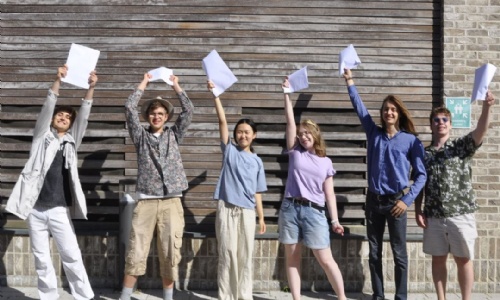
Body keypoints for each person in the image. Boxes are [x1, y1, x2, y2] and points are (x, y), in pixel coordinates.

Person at [6, 65, 97, 300]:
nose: (63, 118)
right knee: (41, 257)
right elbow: (48, 105)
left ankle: (84, 296)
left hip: (58, 209)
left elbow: (84, 115)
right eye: (61, 114)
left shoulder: (71, 141)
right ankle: (48, 296)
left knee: (71, 254)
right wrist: (57, 81)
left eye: (67, 117)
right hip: (35, 208)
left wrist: (91, 88)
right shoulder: (41, 136)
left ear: (70, 124)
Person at [342, 68, 427, 300]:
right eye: (386, 109)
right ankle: (378, 296)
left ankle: (401, 297)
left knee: (399, 254)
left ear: (398, 113)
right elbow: (359, 109)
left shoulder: (411, 141)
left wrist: (406, 200)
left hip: (396, 203)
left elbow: (422, 175)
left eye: (393, 109)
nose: (389, 112)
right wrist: (350, 81)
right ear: (381, 113)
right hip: (373, 202)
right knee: (375, 253)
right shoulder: (374, 133)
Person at [415, 91, 495, 300]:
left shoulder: (461, 147)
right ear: (431, 124)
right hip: (433, 215)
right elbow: (419, 184)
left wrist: (487, 107)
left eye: (445, 120)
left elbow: (481, 130)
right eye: (436, 120)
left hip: (461, 214)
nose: (440, 123)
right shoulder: (424, 154)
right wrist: (418, 210)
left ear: (450, 124)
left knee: (463, 259)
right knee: (438, 259)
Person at [120, 72, 194, 300]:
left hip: (172, 201)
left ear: (166, 116)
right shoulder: (140, 137)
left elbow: (189, 110)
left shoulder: (174, 135)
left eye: (161, 113)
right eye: (153, 113)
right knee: (136, 250)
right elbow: (129, 108)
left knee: (170, 251)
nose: (156, 116)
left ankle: (168, 297)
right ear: (148, 117)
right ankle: (124, 296)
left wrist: (176, 86)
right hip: (146, 201)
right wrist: (143, 82)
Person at [279, 78, 346, 300]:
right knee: (293, 258)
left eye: (307, 133)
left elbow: (329, 194)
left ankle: (343, 297)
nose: (303, 136)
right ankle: (296, 298)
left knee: (325, 259)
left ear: (316, 135)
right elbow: (290, 122)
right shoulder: (294, 151)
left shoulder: (326, 161)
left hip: (315, 212)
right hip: (290, 208)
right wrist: (287, 94)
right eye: (301, 133)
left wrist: (335, 221)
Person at [207, 80, 267, 300]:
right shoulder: (229, 152)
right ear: (235, 135)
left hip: (247, 212)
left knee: (245, 255)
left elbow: (257, 191)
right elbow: (222, 121)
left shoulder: (258, 161)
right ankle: (226, 296)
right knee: (227, 254)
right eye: (240, 132)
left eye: (247, 132)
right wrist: (216, 96)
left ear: (254, 135)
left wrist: (261, 217)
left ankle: (244, 296)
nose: (243, 135)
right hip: (226, 208)